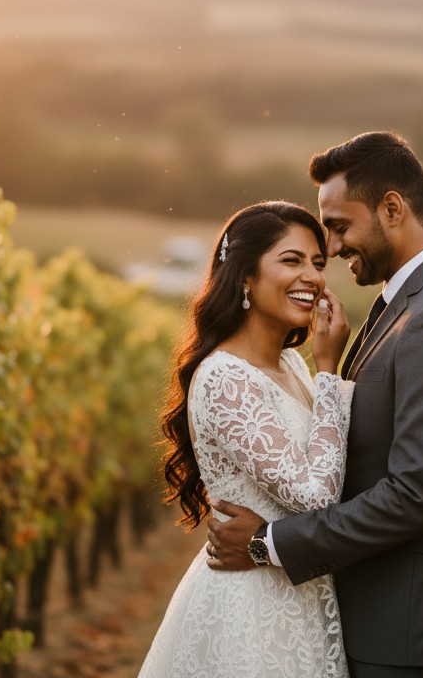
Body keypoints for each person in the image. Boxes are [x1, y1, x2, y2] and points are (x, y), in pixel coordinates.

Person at [207, 132, 423, 677]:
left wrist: (266, 544)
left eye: (340, 226)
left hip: (416, 626)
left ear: (391, 208)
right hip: (391, 615)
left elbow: (416, 496)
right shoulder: (410, 303)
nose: (335, 247)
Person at [137, 201, 354, 678]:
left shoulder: (292, 365)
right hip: (255, 612)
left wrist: (319, 373)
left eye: (318, 263)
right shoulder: (225, 378)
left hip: (303, 598)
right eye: (291, 260)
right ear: (245, 277)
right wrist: (330, 374)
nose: (313, 277)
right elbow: (316, 495)